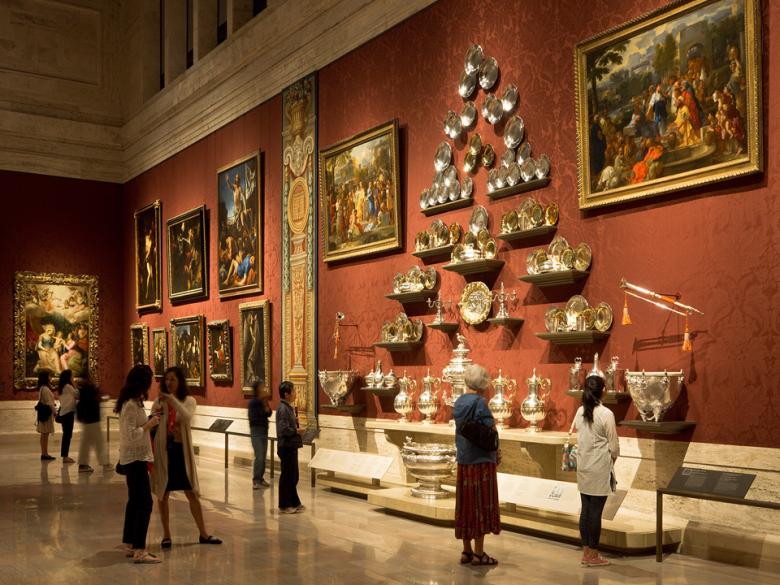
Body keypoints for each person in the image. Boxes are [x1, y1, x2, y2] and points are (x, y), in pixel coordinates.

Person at [151, 367, 222, 548]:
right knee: (163, 494)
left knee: (191, 493)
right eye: (166, 379)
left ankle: (203, 533)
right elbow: (153, 421)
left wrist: (171, 400)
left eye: (172, 379)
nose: (168, 383)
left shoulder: (188, 400)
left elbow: (186, 415)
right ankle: (166, 535)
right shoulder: (159, 401)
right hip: (165, 451)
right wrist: (159, 407)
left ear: (180, 381)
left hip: (181, 452)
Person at [452, 364, 501, 566]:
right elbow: (490, 430)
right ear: (482, 383)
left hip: (464, 461)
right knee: (480, 505)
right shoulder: (480, 402)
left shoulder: (459, 402)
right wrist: (497, 451)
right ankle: (480, 554)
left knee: (466, 506)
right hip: (481, 462)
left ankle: (466, 551)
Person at [573, 375, 620, 567]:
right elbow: (614, 445)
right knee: (595, 514)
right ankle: (593, 555)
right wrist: (612, 459)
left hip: (583, 466)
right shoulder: (606, 413)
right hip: (599, 467)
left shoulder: (579, 411)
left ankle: (586, 553)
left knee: (585, 511)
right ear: (603, 391)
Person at [116, 364, 161, 564]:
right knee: (145, 503)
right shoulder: (131, 406)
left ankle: (130, 542)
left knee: (135, 501)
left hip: (136, 457)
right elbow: (130, 435)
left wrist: (148, 421)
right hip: (135, 459)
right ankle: (140, 550)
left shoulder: (135, 402)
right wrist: (149, 425)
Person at [276, 381, 304, 514]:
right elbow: (283, 430)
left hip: (290, 445)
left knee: (293, 475)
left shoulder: (288, 408)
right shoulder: (283, 409)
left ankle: (294, 502)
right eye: (293, 391)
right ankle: (284, 505)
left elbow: (287, 424)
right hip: (286, 446)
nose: (295, 394)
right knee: (287, 476)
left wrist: (294, 421)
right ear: (286, 394)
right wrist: (296, 431)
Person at [76, 378, 110, 473]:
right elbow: (99, 398)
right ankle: (105, 463)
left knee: (85, 444)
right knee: (99, 443)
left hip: (86, 420)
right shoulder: (91, 389)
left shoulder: (83, 390)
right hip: (93, 420)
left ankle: (83, 465)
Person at [248, 382, 272, 489]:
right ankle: (255, 479)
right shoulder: (253, 402)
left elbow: (269, 413)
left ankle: (261, 478)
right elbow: (254, 418)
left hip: (264, 431)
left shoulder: (263, 401)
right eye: (262, 388)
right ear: (257, 390)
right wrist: (264, 409)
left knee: (263, 456)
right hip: (256, 431)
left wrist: (266, 406)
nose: (264, 389)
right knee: (259, 456)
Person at [56, 369, 79, 463]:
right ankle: (65, 457)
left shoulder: (62, 387)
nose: (73, 378)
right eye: (72, 376)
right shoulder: (68, 386)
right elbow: (77, 394)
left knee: (66, 435)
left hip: (64, 413)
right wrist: (74, 383)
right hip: (68, 413)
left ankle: (65, 455)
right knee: (67, 436)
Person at [36, 370, 57, 460]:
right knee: (45, 434)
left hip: (42, 413)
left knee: (43, 434)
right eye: (49, 376)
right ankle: (45, 454)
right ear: (46, 378)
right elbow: (49, 403)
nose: (50, 377)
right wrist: (55, 412)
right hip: (46, 414)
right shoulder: (45, 389)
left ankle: (44, 453)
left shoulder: (41, 388)